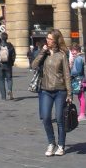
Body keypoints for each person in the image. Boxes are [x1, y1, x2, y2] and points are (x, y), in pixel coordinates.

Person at [32, 29, 72, 157]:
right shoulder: (44, 53)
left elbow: (67, 75)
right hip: (45, 90)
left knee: (60, 118)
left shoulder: (62, 55)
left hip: (60, 91)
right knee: (45, 117)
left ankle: (61, 145)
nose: (47, 40)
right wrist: (42, 52)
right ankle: (51, 143)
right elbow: (33, 65)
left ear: (56, 40)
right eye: (47, 38)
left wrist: (69, 94)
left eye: (50, 39)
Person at [0, 32, 16, 100]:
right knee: (9, 79)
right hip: (8, 65)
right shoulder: (10, 46)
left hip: (0, 65)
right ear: (7, 38)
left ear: (1, 37)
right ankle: (9, 89)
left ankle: (3, 96)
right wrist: (11, 63)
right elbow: (13, 55)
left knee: (1, 80)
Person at [69, 43, 86, 121]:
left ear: (78, 50)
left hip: (79, 80)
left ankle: (82, 114)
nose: (73, 52)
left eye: (74, 50)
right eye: (72, 50)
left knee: (81, 97)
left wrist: (71, 73)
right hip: (79, 80)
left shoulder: (78, 59)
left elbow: (78, 71)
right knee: (80, 97)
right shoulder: (77, 58)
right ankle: (81, 113)